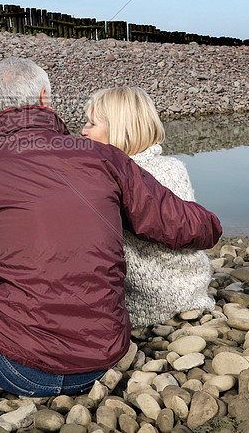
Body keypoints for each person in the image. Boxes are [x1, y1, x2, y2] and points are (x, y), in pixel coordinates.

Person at [0, 58, 221, 397]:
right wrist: (211, 224)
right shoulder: (103, 157)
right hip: (103, 357)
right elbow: (185, 225)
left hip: (17, 369)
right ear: (44, 99)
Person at [81, 87, 215, 327]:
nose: (83, 131)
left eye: (92, 124)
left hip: (150, 300)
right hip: (192, 286)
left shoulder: (112, 180)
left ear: (118, 130)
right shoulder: (173, 167)